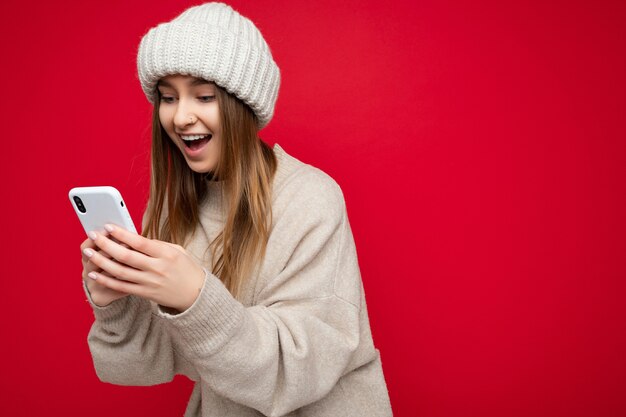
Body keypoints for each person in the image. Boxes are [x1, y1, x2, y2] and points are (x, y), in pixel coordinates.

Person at [79, 2, 392, 416]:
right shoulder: (172, 207)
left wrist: (195, 297)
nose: (181, 116)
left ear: (242, 106)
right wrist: (115, 304)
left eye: (204, 96)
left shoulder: (312, 199)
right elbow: (144, 365)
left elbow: (294, 372)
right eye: (168, 98)